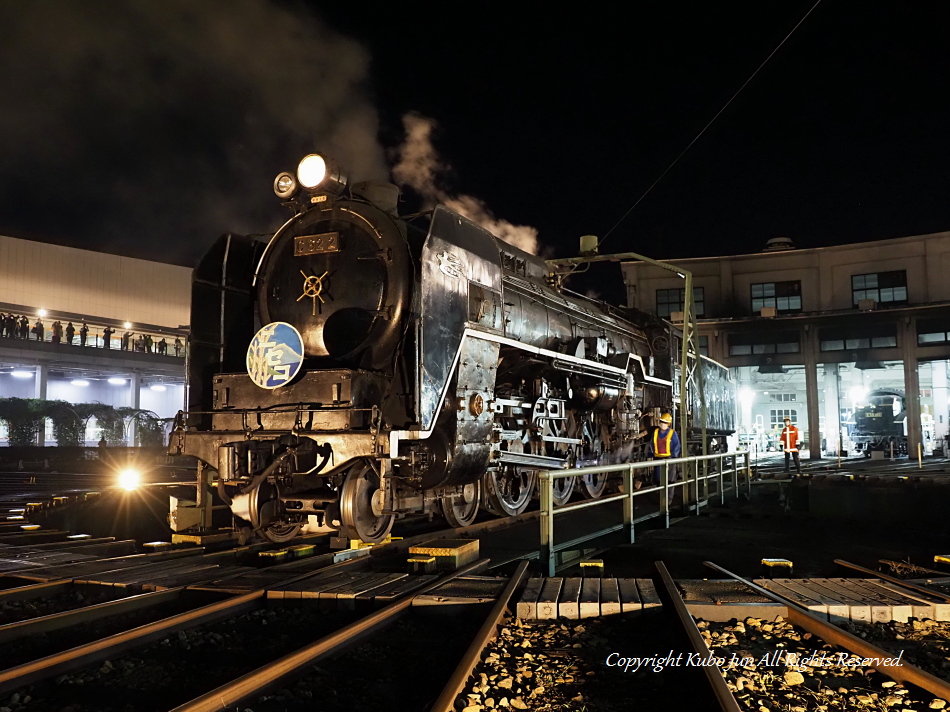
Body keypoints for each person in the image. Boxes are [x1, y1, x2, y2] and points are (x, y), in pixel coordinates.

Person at [646, 412, 681, 506]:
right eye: (661, 421)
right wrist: (650, 455)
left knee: (670, 481)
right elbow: (652, 445)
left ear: (668, 424)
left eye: (664, 422)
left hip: (669, 460)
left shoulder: (672, 433)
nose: (662, 424)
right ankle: (662, 498)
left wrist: (673, 457)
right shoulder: (656, 432)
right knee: (658, 479)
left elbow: (676, 446)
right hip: (658, 459)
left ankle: (668, 500)